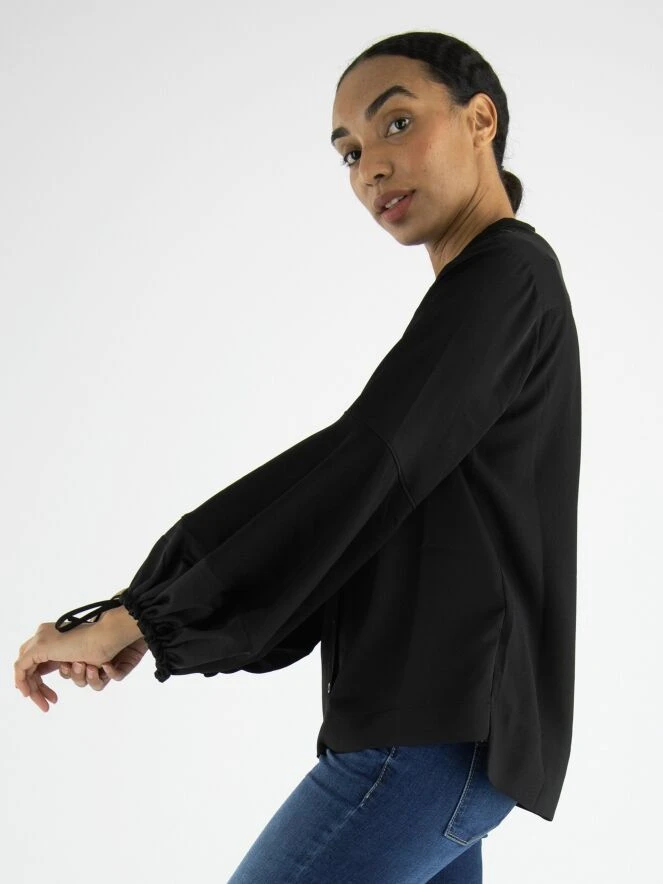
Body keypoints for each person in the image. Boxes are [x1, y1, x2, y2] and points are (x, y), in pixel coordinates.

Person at [14, 30, 581, 883]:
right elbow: (373, 515)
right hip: (438, 745)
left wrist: (147, 612)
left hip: (423, 745)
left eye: (395, 124)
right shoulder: (487, 295)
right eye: (349, 152)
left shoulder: (506, 279)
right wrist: (157, 622)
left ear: (479, 121)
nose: (371, 168)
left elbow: (361, 467)